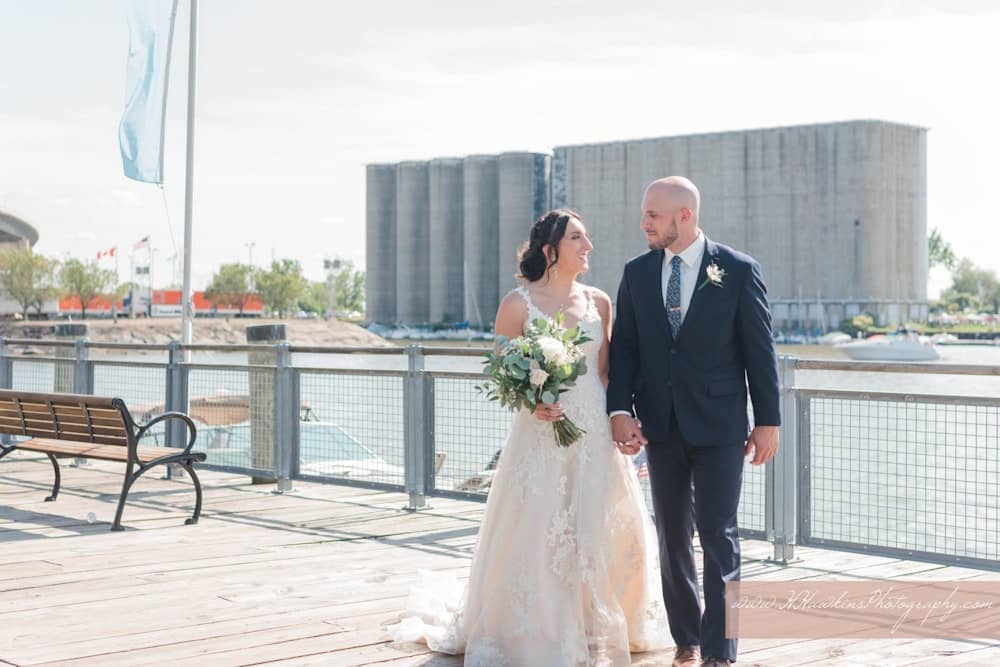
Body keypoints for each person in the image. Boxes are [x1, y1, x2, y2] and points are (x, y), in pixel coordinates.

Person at [390, 209, 668, 665]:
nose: (588, 246)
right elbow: (503, 372)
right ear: (549, 249)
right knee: (540, 527)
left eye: (587, 236)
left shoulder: (600, 302)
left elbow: (607, 372)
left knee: (599, 521)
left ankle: (602, 620)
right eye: (577, 238)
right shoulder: (517, 304)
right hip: (539, 432)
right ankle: (541, 629)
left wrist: (625, 419)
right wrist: (532, 401)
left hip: (593, 430)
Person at [608, 177, 781, 667]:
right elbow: (624, 351)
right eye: (644, 214)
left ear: (685, 215)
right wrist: (621, 411)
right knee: (672, 534)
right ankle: (686, 638)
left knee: (718, 531)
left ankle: (719, 651)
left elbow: (759, 352)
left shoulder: (739, 270)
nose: (644, 223)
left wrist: (768, 420)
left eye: (653, 215)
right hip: (660, 426)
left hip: (722, 426)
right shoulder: (637, 273)